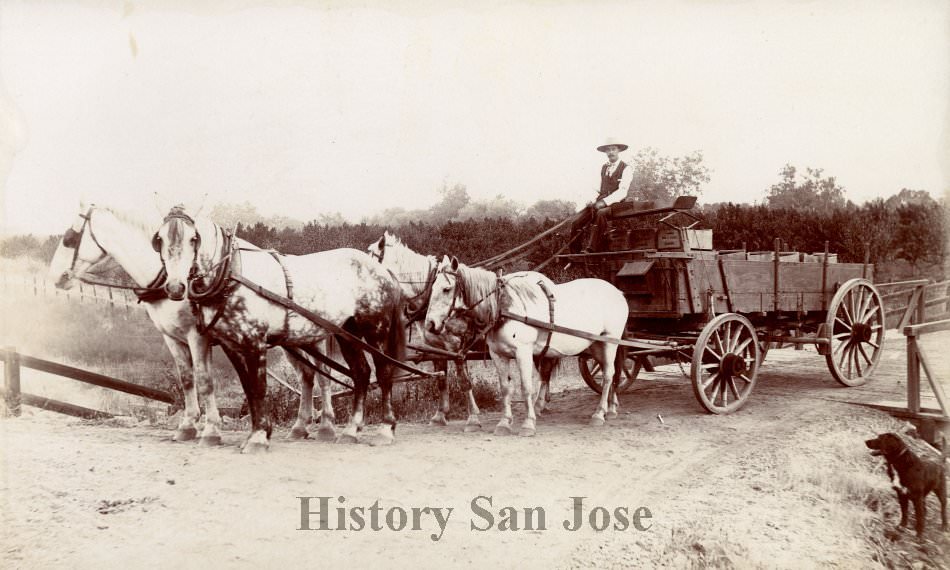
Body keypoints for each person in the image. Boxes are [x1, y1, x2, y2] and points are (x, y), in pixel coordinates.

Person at [569, 138, 634, 253]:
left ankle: (593, 248)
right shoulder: (604, 168)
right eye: (608, 150)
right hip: (601, 202)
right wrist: (590, 200)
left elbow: (622, 191)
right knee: (577, 221)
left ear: (619, 150)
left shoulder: (626, 168)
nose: (611, 152)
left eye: (613, 149)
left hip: (617, 203)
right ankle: (574, 252)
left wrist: (604, 202)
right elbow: (597, 189)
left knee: (600, 213)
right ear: (605, 153)